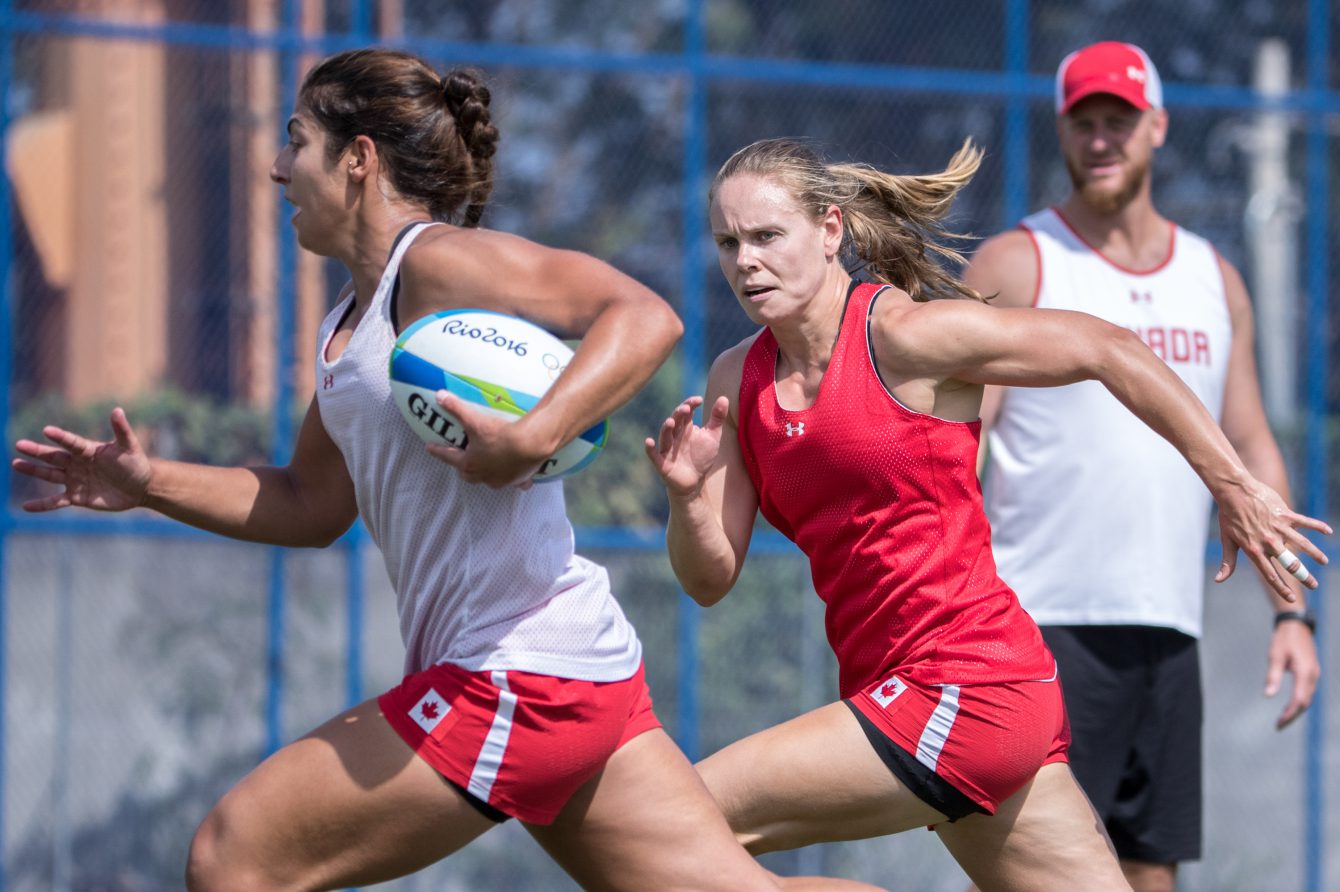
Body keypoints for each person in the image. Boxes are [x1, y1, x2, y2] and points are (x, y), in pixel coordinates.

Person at [11, 49, 880, 892]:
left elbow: (640, 314)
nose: (278, 168)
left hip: (519, 671)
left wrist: (531, 435)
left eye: (295, 139)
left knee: (235, 856)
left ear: (357, 161)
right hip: (571, 669)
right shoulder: (355, 323)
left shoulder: (431, 265)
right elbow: (310, 502)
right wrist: (146, 482)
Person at [643, 133, 1328, 892]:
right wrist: (685, 498)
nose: (746, 261)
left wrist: (1231, 485)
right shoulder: (738, 380)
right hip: (935, 698)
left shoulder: (903, 338)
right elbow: (709, 579)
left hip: (961, 688)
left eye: (768, 236)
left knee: (666, 829)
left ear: (831, 229)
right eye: (728, 242)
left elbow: (1109, 348)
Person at [963, 41, 1322, 892]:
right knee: (1041, 875)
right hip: (1038, 622)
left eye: (1118, 122)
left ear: (1156, 127)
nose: (1100, 139)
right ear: (1063, 132)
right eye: (1082, 123)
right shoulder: (1018, 265)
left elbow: (1248, 450)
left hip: (1167, 626)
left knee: (1150, 873)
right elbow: (955, 452)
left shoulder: (1214, 278)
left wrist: (1291, 613)